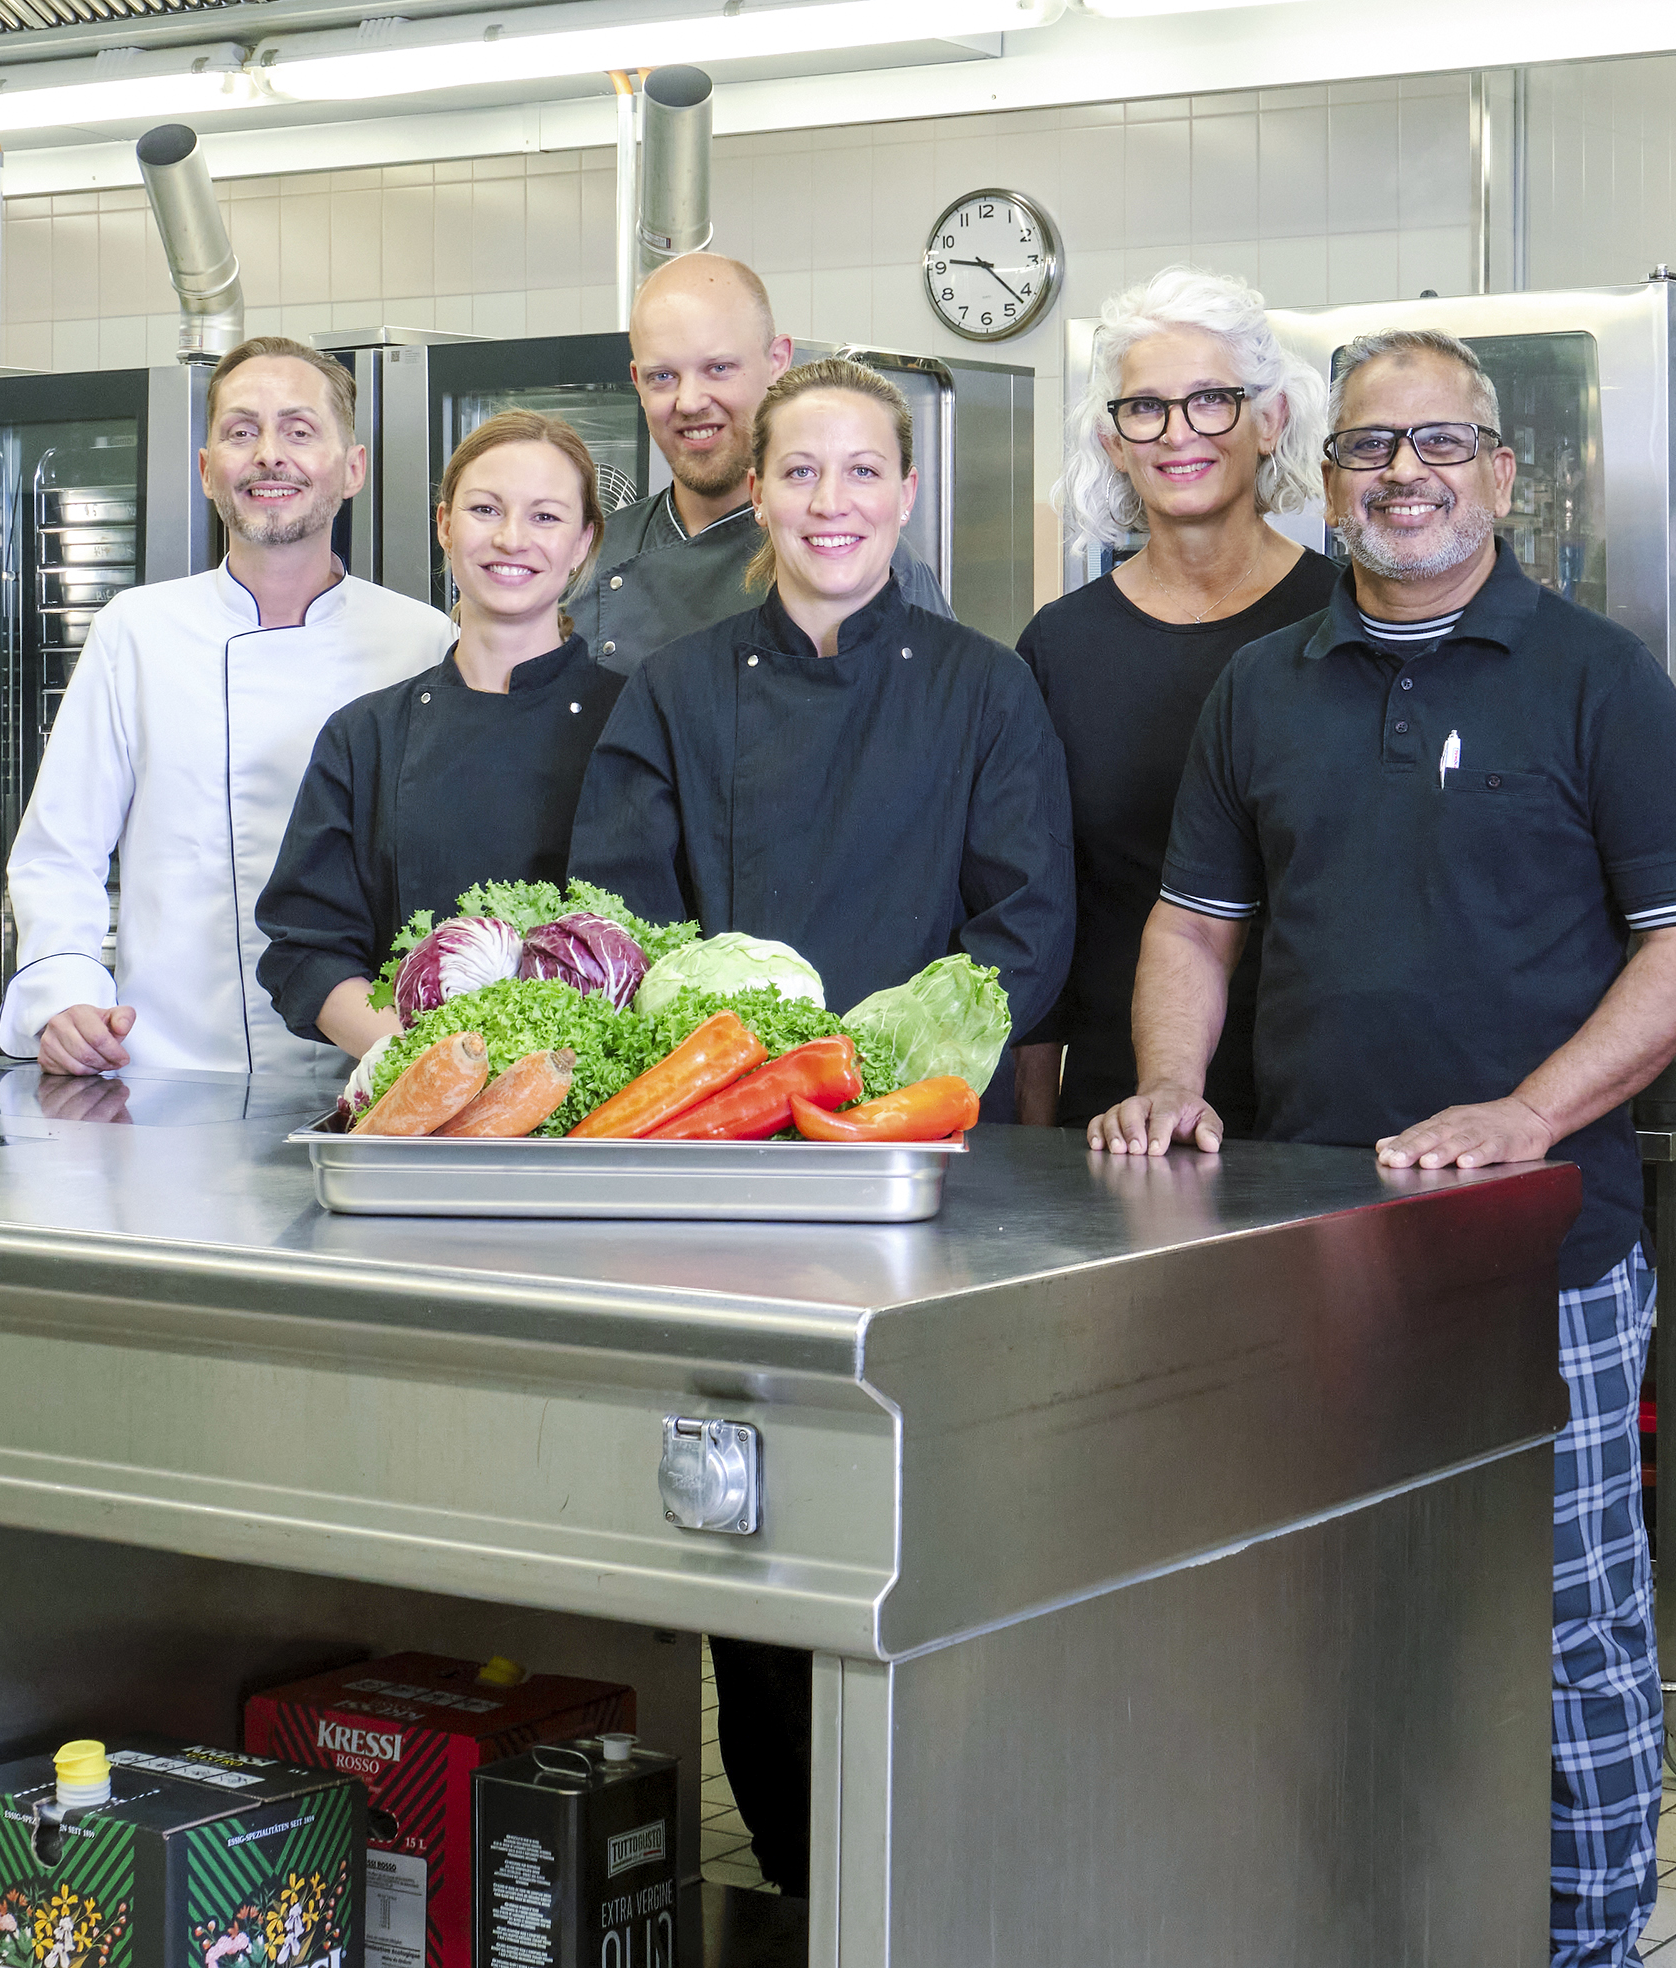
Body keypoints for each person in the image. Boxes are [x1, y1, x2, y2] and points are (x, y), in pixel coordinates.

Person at [1090, 328, 1676, 1968]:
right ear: (1327, 481)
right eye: (1374, 450)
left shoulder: (1596, 677)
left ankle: (1584, 1937)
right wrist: (1169, 1078)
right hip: (1316, 1245)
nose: (1405, 476)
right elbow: (1193, 921)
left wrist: (1527, 1112)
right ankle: (1361, 1912)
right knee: (1331, 1604)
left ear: (1499, 473)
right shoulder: (1263, 686)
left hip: (1544, 1251)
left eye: (1441, 444)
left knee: (1565, 1620)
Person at [569, 356, 1074, 1901]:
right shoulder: (672, 692)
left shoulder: (986, 685)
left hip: (914, 1174)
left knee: (928, 1510)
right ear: (757, 502)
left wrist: (870, 1079)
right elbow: (623, 916)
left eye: (863, 474)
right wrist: (754, 1074)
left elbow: (1027, 924)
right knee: (761, 1524)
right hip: (725, 1175)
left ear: (907, 495)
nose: (831, 503)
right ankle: (799, 1871)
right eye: (802, 474)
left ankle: (946, 1853)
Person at [0, 337, 451, 1078]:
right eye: (241, 432)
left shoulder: (422, 642)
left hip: (372, 1075)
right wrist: (64, 996)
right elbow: (59, 853)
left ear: (353, 467)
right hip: (165, 1069)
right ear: (209, 471)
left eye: (299, 431)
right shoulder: (135, 632)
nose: (269, 454)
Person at [1014, 264, 1339, 1132]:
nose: (1176, 433)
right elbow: (1037, 901)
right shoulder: (1061, 646)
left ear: (1270, 421)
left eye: (1210, 400)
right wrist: (1032, 1126)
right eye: (1144, 408)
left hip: (1322, 1103)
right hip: (1124, 1111)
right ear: (1114, 440)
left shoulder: (1342, 624)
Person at [256, 410, 623, 1056]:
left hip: (603, 1111)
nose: (512, 538)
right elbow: (306, 955)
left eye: (544, 517)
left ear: (583, 544)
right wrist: (429, 1066)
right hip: (417, 1110)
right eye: (485, 510)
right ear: (445, 527)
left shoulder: (636, 725)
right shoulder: (365, 737)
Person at [565, 251, 948, 675]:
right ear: (637, 382)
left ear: (778, 362)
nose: (689, 402)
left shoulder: (856, 558)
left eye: (719, 368)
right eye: (663, 377)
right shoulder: (588, 552)